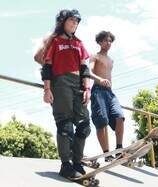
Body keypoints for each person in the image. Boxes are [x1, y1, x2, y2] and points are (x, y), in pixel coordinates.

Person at [39, 9, 91, 179]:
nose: (74, 24)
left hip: (78, 85)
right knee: (65, 125)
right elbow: (46, 68)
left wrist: (87, 89)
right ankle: (66, 165)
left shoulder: (79, 43)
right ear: (63, 22)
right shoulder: (54, 41)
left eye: (77, 22)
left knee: (84, 126)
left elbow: (84, 69)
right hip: (60, 84)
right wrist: (47, 89)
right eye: (71, 20)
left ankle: (77, 161)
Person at [89, 31, 125, 161]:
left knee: (120, 117)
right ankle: (106, 153)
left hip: (110, 92)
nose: (108, 43)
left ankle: (119, 149)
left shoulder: (111, 60)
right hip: (98, 91)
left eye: (110, 41)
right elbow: (88, 71)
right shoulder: (95, 56)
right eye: (105, 40)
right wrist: (99, 79)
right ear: (99, 42)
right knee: (102, 121)